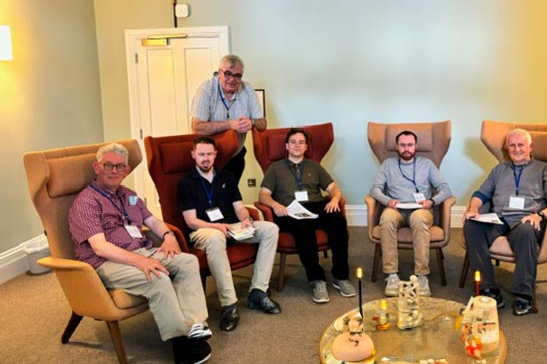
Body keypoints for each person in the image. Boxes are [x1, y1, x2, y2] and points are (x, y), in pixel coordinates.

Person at [69, 143, 212, 364]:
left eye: (120, 167)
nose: (114, 171)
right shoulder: (86, 202)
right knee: (157, 276)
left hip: (142, 250)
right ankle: (180, 342)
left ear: (126, 171)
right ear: (97, 167)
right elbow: (100, 247)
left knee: (188, 262)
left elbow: (152, 221)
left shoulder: (130, 196)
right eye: (108, 165)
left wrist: (168, 236)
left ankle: (194, 326)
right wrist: (141, 261)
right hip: (106, 262)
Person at [178, 136, 281, 332]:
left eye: (209, 154)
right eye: (201, 154)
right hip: (203, 230)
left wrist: (246, 219)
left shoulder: (227, 176)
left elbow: (239, 207)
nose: (206, 158)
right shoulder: (186, 182)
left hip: (232, 227)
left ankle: (258, 291)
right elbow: (191, 221)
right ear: (193, 155)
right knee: (216, 238)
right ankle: (229, 304)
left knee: (270, 229)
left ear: (215, 154)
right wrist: (218, 227)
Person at [462, 128, 547, 316]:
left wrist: (539, 215)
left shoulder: (545, 170)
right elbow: (480, 194)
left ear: (530, 147)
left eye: (520, 145)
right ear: (507, 148)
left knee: (526, 231)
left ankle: (523, 295)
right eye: (512, 145)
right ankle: (488, 288)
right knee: (472, 226)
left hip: (528, 219)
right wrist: (473, 209)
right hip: (500, 218)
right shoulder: (499, 170)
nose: (516, 149)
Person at [258, 128, 356, 303]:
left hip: (315, 205)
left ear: (306, 147)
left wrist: (335, 200)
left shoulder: (314, 166)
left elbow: (334, 188)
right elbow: (263, 195)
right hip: (288, 210)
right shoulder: (275, 168)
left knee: (337, 220)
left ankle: (340, 276)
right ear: (287, 146)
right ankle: (317, 279)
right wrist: (275, 205)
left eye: (301, 142)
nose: (297, 145)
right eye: (293, 142)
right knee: (303, 228)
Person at [370, 130, 452, 298]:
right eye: (402, 145)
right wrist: (387, 201)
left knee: (418, 218)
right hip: (396, 209)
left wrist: (432, 201)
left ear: (416, 146)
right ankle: (392, 275)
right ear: (396, 147)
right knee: (386, 218)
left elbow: (445, 189)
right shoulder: (388, 165)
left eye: (410, 145)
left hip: (421, 210)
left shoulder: (427, 164)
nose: (406, 149)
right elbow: (375, 189)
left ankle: (422, 276)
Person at [190, 54, 266, 182]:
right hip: (209, 158)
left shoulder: (248, 90)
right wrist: (230, 124)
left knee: (231, 192)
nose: (232, 79)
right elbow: (197, 127)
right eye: (228, 74)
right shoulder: (206, 90)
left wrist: (252, 122)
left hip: (235, 155)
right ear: (219, 73)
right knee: (209, 193)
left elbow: (263, 124)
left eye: (237, 76)